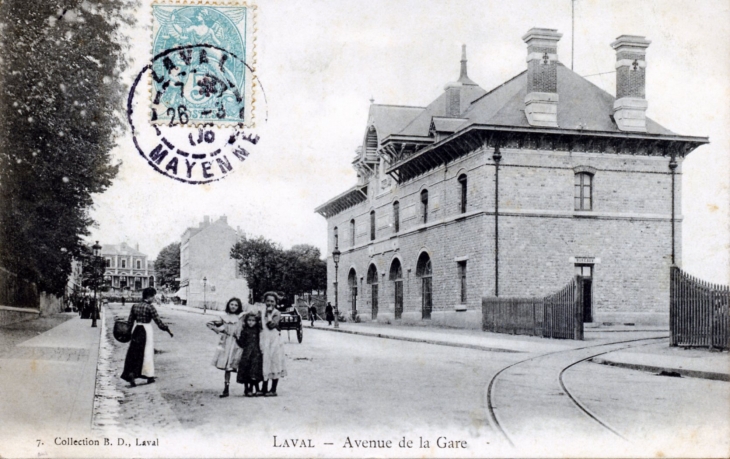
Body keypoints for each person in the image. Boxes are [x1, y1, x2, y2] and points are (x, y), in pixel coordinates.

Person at [121, 287, 171, 387]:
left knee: (134, 353)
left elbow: (130, 322)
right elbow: (158, 322)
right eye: (153, 296)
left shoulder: (135, 306)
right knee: (147, 353)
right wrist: (167, 329)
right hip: (147, 330)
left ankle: (131, 373)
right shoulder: (150, 307)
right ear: (149, 296)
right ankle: (149, 376)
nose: (154, 299)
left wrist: (127, 333)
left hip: (137, 329)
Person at [207, 297, 244, 398]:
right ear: (228, 305)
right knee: (228, 366)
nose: (233, 306)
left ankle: (247, 387)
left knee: (240, 363)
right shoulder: (224, 317)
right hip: (227, 343)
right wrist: (219, 330)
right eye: (232, 304)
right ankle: (226, 387)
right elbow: (210, 323)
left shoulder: (241, 317)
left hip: (238, 343)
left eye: (236, 305)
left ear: (239, 307)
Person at [258, 292, 287, 396]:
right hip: (264, 339)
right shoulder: (261, 312)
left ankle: (273, 389)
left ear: (276, 302)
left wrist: (269, 314)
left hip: (274, 340)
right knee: (265, 362)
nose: (269, 303)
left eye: (272, 301)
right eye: (268, 301)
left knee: (274, 362)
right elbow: (259, 324)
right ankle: (264, 388)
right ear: (264, 301)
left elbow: (271, 325)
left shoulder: (276, 313)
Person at [235, 312, 263, 397]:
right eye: (249, 320)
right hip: (246, 354)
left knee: (255, 371)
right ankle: (247, 389)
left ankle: (256, 388)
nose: (251, 322)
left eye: (253, 320)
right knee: (246, 371)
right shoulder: (244, 331)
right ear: (246, 321)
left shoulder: (258, 330)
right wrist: (237, 338)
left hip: (256, 354)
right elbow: (242, 344)